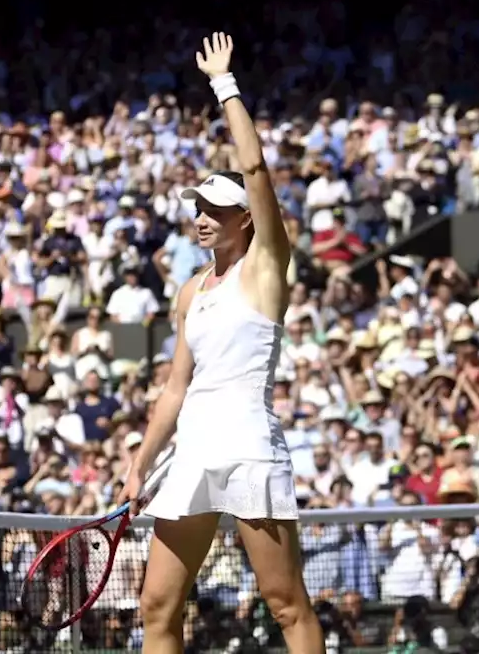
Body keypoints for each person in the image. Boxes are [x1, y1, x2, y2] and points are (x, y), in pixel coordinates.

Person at [121, 33, 324, 654]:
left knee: (285, 603)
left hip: (248, 445)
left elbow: (256, 167)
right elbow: (176, 386)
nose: (201, 215)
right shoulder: (189, 291)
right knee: (157, 605)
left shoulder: (266, 266)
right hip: (193, 451)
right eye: (197, 207)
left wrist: (223, 84)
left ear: (245, 218)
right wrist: (138, 462)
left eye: (215, 207)